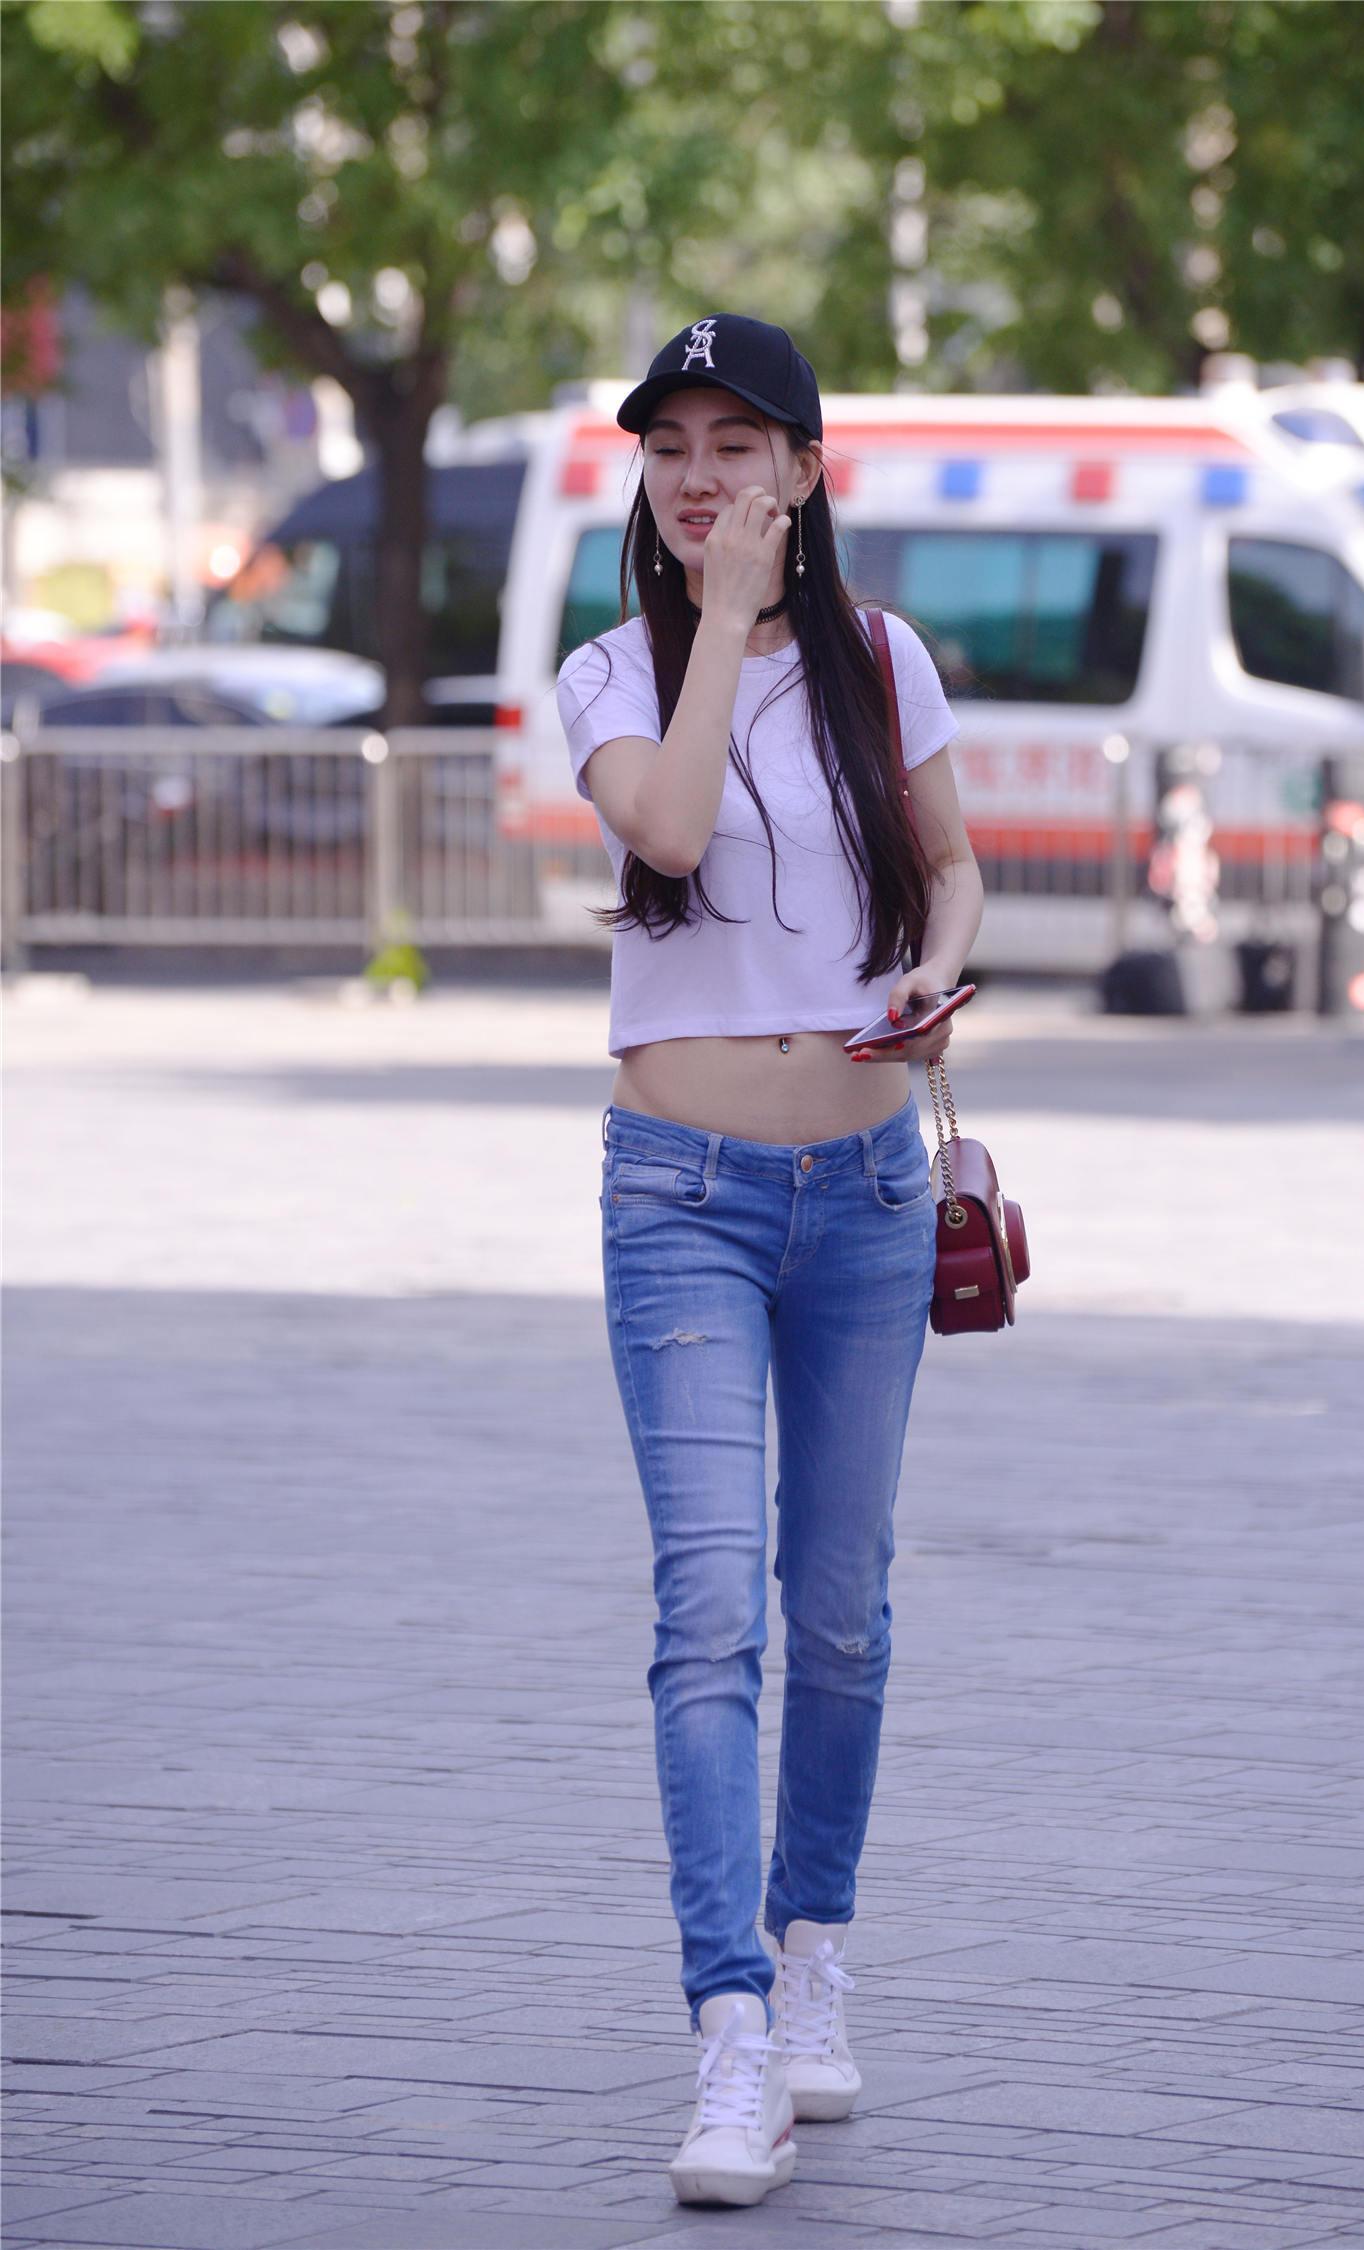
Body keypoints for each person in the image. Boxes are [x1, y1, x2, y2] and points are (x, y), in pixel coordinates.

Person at [555, 313, 983, 2211]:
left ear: (807, 470)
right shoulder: (611, 671)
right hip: (682, 1198)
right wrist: (724, 618)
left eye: (740, 442)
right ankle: (728, 2026)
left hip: (870, 1196)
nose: (701, 474)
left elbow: (953, 866)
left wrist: (937, 968)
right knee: (709, 1605)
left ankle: (814, 1956)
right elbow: (662, 825)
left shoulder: (887, 662)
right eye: (671, 446)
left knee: (842, 1608)